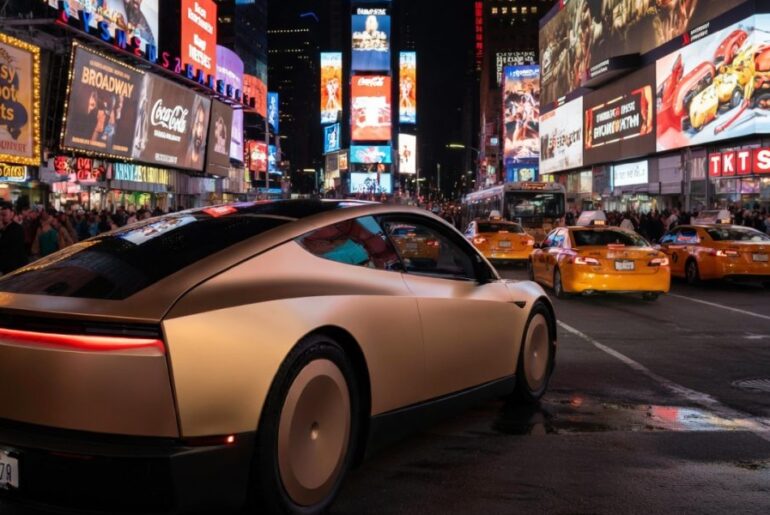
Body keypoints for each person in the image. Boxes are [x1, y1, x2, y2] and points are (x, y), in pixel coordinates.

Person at [0, 202, 28, 274]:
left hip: (16, 269)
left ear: (12, 214)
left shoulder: (17, 229)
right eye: (0, 215)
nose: (1, 217)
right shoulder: (3, 229)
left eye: (4, 215)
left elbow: (12, 251)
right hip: (6, 268)